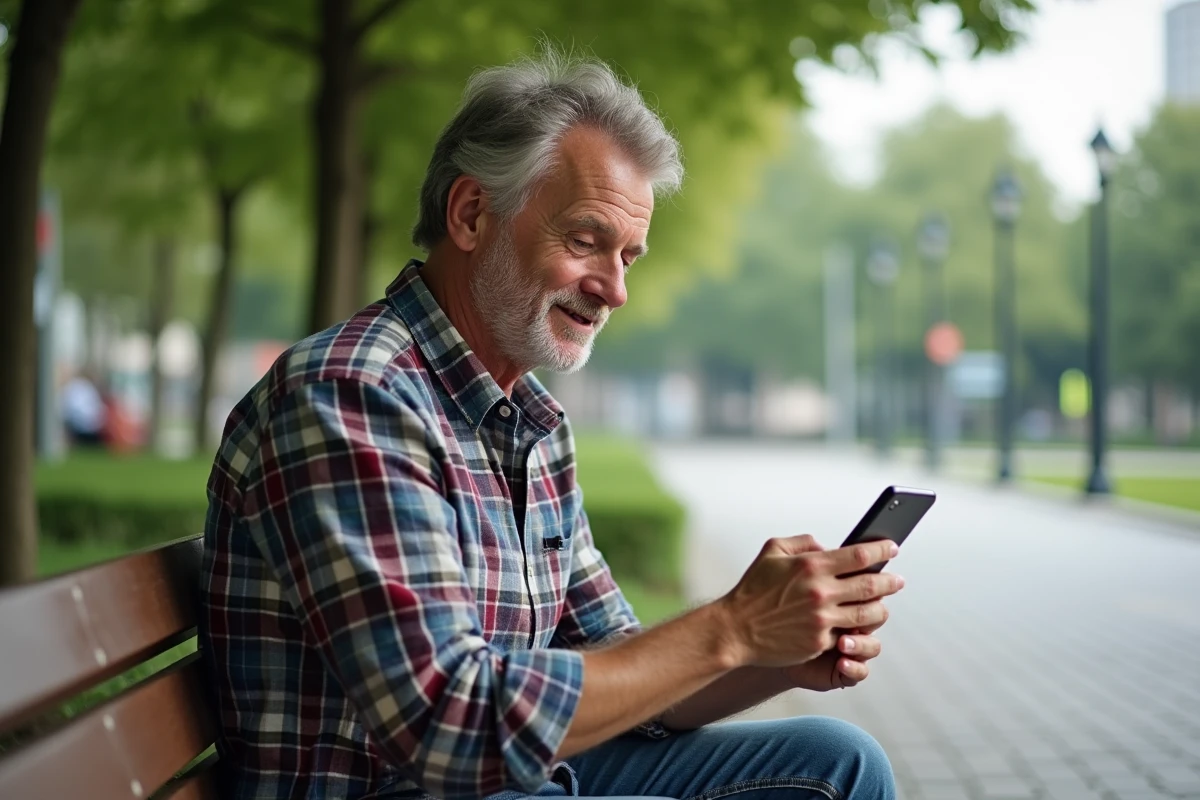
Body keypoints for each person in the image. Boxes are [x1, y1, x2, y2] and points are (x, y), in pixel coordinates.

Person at [200, 49, 904, 800]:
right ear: (472, 214)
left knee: (839, 762)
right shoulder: (349, 394)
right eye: (586, 240)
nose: (616, 289)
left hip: (515, 781)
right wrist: (729, 627)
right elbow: (451, 726)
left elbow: (627, 671)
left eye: (628, 256)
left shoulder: (533, 424)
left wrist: (770, 658)